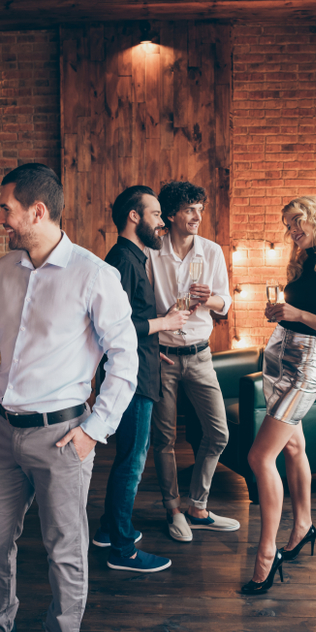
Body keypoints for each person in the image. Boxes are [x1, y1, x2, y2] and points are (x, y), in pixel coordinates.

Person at [0, 164, 138, 632]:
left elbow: (126, 358)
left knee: (65, 550)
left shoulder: (95, 275)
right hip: (3, 434)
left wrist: (95, 429)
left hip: (62, 436)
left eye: (6, 209)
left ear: (37, 210)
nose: (0, 218)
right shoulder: (4, 270)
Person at [241, 196, 316, 595]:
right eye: (287, 224)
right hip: (277, 355)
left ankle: (266, 552)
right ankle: (303, 524)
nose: (291, 231)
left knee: (260, 456)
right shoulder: (305, 260)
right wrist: (281, 313)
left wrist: (299, 316)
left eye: (297, 222)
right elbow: (296, 309)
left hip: (305, 366)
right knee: (293, 448)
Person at [91, 186, 189, 573]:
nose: (163, 222)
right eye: (156, 214)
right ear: (134, 216)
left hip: (143, 364)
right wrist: (165, 323)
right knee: (131, 460)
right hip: (131, 379)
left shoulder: (133, 256)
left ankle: (107, 529)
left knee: (130, 456)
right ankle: (122, 549)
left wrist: (152, 347)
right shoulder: (122, 260)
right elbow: (112, 325)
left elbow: (129, 326)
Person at [147, 180, 240, 542]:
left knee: (218, 432)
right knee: (165, 438)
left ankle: (198, 505)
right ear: (171, 215)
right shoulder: (151, 253)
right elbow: (139, 305)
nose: (197, 216)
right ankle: (174, 510)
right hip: (164, 357)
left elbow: (225, 303)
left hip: (201, 355)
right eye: (189, 209)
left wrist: (211, 299)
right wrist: (151, 344)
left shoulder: (211, 251)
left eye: (200, 209)